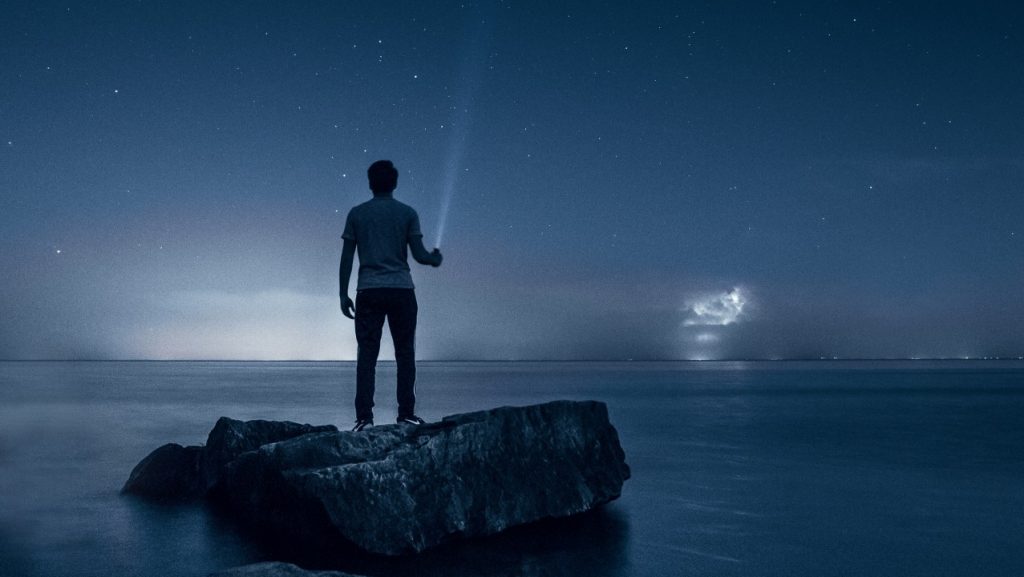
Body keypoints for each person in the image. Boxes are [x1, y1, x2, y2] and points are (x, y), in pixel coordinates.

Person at [339, 160, 442, 431]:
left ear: (370, 183)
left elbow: (347, 257)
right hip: (401, 291)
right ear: (394, 184)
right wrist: (434, 259)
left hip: (369, 291)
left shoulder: (357, 214)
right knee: (405, 353)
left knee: (367, 355)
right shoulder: (407, 213)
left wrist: (342, 293)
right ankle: (406, 413)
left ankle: (364, 418)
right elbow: (419, 255)